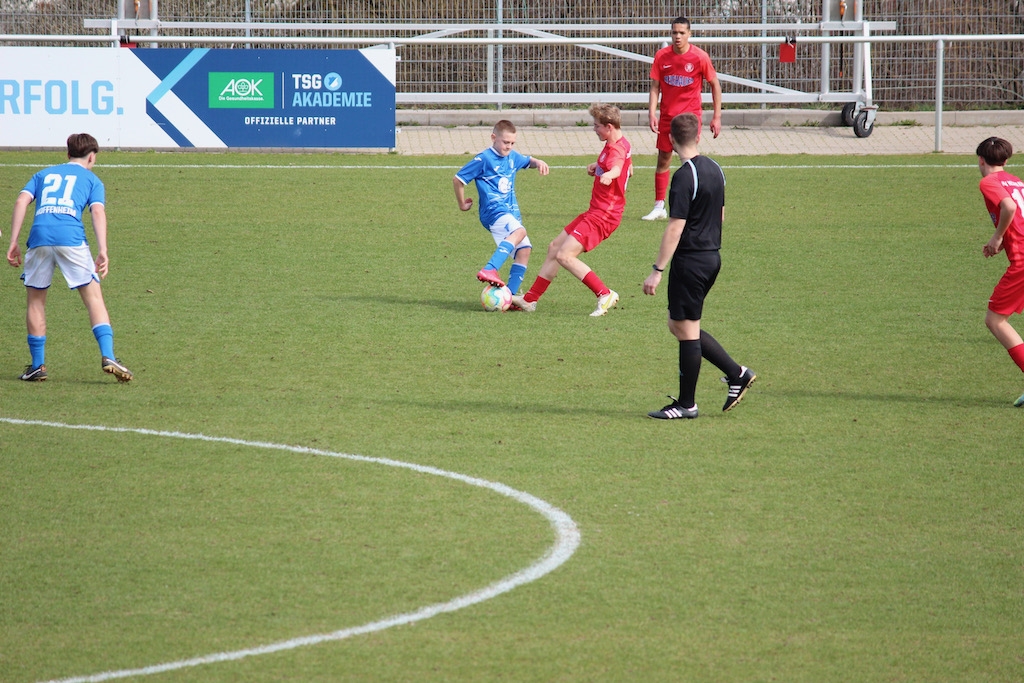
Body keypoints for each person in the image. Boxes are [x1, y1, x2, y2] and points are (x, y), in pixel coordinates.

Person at [642, 113, 754, 419]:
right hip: (711, 256)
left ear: (670, 140)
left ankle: (687, 403)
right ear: (699, 135)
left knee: (686, 329)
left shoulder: (683, 176)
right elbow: (720, 214)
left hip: (690, 260)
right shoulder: (716, 169)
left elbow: (675, 227)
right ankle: (736, 373)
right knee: (680, 325)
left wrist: (657, 269)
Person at [7, 132, 133, 383]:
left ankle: (37, 366)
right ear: (92, 157)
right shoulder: (92, 179)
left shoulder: (42, 174)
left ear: (67, 154)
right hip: (72, 239)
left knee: (36, 301)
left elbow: (22, 200)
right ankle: (108, 355)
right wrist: (103, 249)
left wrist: (13, 241)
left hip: (39, 237)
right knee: (93, 298)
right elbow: (97, 212)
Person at [510, 102, 631, 317]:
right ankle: (530, 300)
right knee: (555, 247)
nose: (594, 129)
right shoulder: (621, 142)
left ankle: (605, 294)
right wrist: (597, 167)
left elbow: (618, 166)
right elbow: (627, 169)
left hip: (604, 216)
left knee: (565, 256)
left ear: (609, 126)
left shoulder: (615, 150)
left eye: (597, 126)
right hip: (595, 211)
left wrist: (609, 174)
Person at [454, 120, 550, 296]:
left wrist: (539, 162)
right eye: (505, 142)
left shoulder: (512, 157)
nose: (509, 146)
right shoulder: (484, 159)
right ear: (493, 138)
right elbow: (458, 179)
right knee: (520, 232)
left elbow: (528, 161)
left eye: (512, 143)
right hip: (493, 211)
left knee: (524, 250)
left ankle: (511, 297)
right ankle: (490, 268)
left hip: (510, 213)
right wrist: (462, 204)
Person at [642, 16, 723, 222]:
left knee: (690, 160)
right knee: (663, 159)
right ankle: (659, 206)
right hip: (667, 118)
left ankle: (696, 204)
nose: (677, 36)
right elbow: (655, 87)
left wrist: (717, 116)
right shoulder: (662, 56)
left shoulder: (699, 57)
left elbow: (715, 85)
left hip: (689, 118)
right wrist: (652, 112)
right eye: (674, 32)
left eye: (681, 33)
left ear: (689, 34)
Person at [976, 136, 1024, 406]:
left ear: (981, 160)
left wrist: (997, 238)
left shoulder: (989, 182)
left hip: (1023, 260)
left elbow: (1009, 207)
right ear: (1005, 160)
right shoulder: (1017, 181)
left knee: (995, 320)